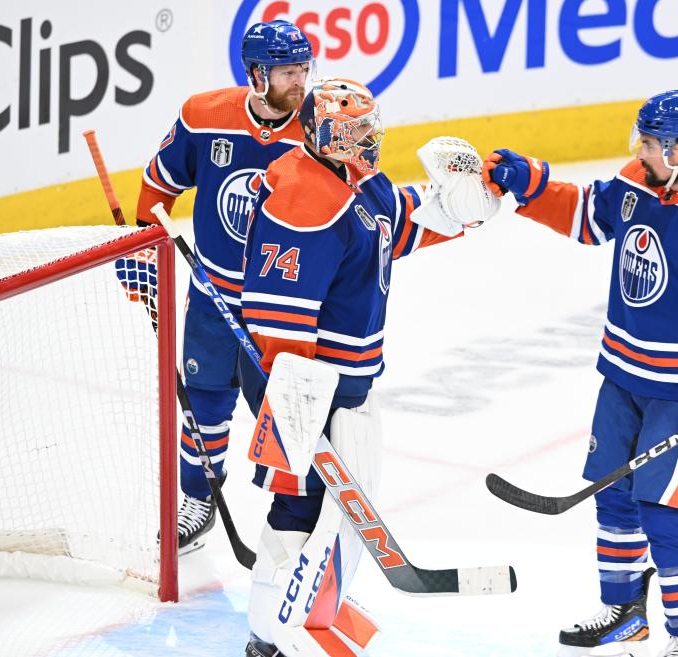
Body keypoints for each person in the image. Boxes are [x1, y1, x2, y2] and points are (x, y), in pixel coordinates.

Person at [482, 90, 678, 657]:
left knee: (664, 511)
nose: (638, 150)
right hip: (621, 375)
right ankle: (623, 612)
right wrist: (533, 185)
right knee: (612, 495)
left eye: (648, 142)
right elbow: (590, 217)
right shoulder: (638, 181)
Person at [237, 78, 498, 657]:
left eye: (366, 127)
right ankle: (285, 629)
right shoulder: (302, 197)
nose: (363, 138)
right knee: (307, 504)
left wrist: (461, 210)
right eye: (349, 130)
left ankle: (291, 618)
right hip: (303, 384)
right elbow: (277, 316)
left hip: (341, 382)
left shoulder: (357, 179)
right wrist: (294, 411)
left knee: (340, 505)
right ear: (318, 132)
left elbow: (394, 229)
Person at [126, 20, 314, 552]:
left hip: (283, 306)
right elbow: (159, 185)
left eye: (303, 69)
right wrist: (141, 255)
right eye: (287, 72)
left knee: (288, 411)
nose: (299, 82)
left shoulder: (317, 127)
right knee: (204, 400)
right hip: (213, 295)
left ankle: (300, 511)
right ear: (256, 74)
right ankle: (198, 498)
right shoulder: (204, 117)